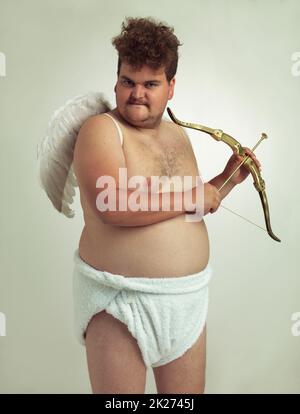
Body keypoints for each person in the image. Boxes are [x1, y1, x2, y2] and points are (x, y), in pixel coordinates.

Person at [71, 16, 261, 394]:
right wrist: (196, 193)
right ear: (116, 80)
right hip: (121, 302)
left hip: (186, 302)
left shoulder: (176, 135)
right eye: (128, 81)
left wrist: (225, 181)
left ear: (171, 87)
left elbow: (185, 210)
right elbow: (112, 203)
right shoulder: (102, 130)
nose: (136, 93)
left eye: (150, 84)